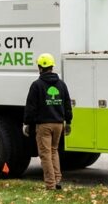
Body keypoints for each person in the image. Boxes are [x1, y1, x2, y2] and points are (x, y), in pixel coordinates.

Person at [23, 53, 73, 191]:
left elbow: (31, 106)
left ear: (40, 68)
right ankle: (57, 179)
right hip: (58, 124)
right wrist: (68, 122)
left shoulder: (37, 85)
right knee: (53, 151)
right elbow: (67, 104)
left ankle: (50, 185)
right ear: (52, 67)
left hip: (44, 125)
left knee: (45, 154)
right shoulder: (61, 84)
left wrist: (27, 123)